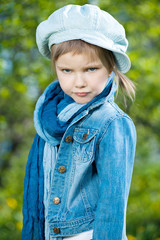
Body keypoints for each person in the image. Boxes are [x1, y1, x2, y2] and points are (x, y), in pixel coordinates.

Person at [22, 4, 136, 240]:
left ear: (110, 67)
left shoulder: (112, 123)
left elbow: (112, 205)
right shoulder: (48, 117)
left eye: (91, 69)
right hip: (49, 233)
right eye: (67, 70)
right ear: (56, 68)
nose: (79, 82)